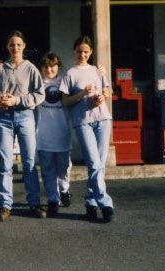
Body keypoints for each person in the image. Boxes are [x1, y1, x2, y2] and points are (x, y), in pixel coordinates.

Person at [0, 30, 46, 222]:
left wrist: (17, 100)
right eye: (12, 45)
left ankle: (34, 203)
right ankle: (5, 205)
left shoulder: (31, 68)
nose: (15, 48)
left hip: (25, 116)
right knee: (5, 162)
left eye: (18, 44)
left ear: (24, 46)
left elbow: (40, 94)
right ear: (7, 47)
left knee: (28, 162)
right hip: (4, 118)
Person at [60, 35, 115, 223]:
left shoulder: (98, 71)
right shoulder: (70, 74)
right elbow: (65, 101)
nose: (82, 55)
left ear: (91, 52)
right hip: (83, 121)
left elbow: (108, 91)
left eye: (86, 52)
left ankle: (91, 203)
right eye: (79, 51)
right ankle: (105, 202)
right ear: (74, 52)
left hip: (103, 119)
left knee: (99, 164)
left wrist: (102, 97)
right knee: (93, 163)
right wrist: (82, 94)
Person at [35, 52, 73, 217]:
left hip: (62, 132)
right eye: (46, 66)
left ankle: (64, 190)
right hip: (43, 134)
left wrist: (100, 73)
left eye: (52, 66)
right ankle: (52, 199)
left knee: (63, 168)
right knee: (48, 169)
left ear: (58, 66)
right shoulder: (36, 83)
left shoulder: (65, 80)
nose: (49, 69)